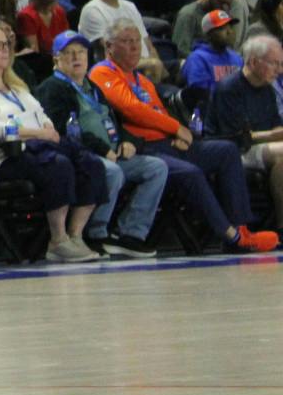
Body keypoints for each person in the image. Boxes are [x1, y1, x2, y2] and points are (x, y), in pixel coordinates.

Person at [91, 21, 277, 252]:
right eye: (127, 42)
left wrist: (177, 132)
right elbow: (131, 109)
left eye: (137, 41)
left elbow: (159, 112)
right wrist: (175, 128)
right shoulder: (103, 72)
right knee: (191, 173)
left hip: (167, 143)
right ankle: (231, 237)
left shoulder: (141, 80)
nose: (135, 47)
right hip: (144, 148)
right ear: (109, 46)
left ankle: (241, 227)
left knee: (227, 151)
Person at [0, 18, 104, 263]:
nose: (5, 49)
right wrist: (35, 132)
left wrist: (42, 129)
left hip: (37, 147)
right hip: (3, 157)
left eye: (6, 44)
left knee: (90, 163)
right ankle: (57, 240)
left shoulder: (17, 86)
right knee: (58, 164)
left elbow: (43, 117)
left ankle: (75, 235)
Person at [33, 31, 164, 259]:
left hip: (113, 152)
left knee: (156, 168)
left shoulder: (92, 87)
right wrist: (102, 149)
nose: (77, 58)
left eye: (81, 52)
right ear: (56, 59)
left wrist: (127, 141)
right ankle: (95, 233)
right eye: (69, 53)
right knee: (112, 172)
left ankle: (130, 234)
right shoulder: (52, 88)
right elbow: (64, 132)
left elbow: (114, 122)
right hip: (85, 157)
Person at [203, 34, 283, 225]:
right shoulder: (229, 89)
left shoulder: (267, 90)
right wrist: (272, 135)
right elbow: (235, 137)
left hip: (263, 149)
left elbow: (275, 123)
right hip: (233, 152)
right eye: (274, 64)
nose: (279, 71)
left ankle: (280, 225)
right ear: (254, 62)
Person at [180, 9, 244, 95]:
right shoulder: (197, 58)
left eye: (230, 27)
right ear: (209, 34)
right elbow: (199, 94)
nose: (229, 32)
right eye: (222, 28)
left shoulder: (237, 58)